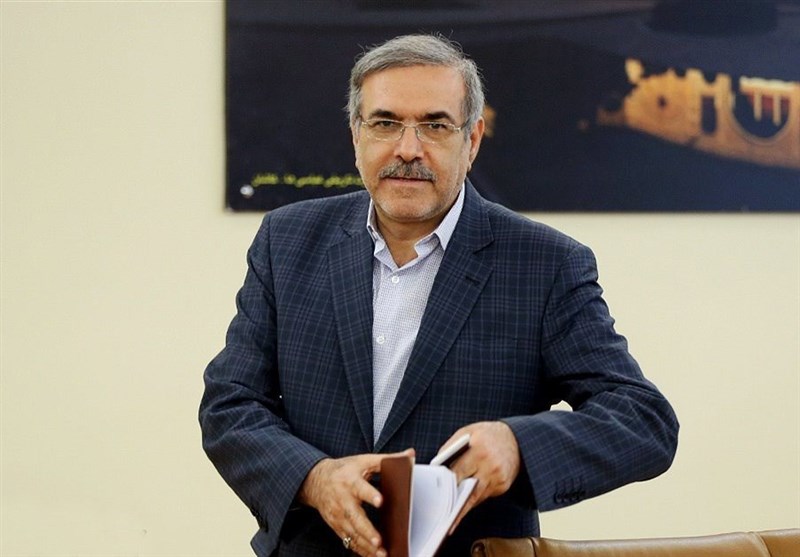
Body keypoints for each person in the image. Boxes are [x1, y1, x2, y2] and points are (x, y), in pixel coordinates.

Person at [199, 34, 679, 557]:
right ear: (356, 136)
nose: (408, 149)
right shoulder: (287, 240)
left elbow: (643, 420)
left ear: (472, 141)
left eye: (435, 125)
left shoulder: (545, 264)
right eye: (385, 123)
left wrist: (518, 446)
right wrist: (314, 478)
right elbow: (231, 402)